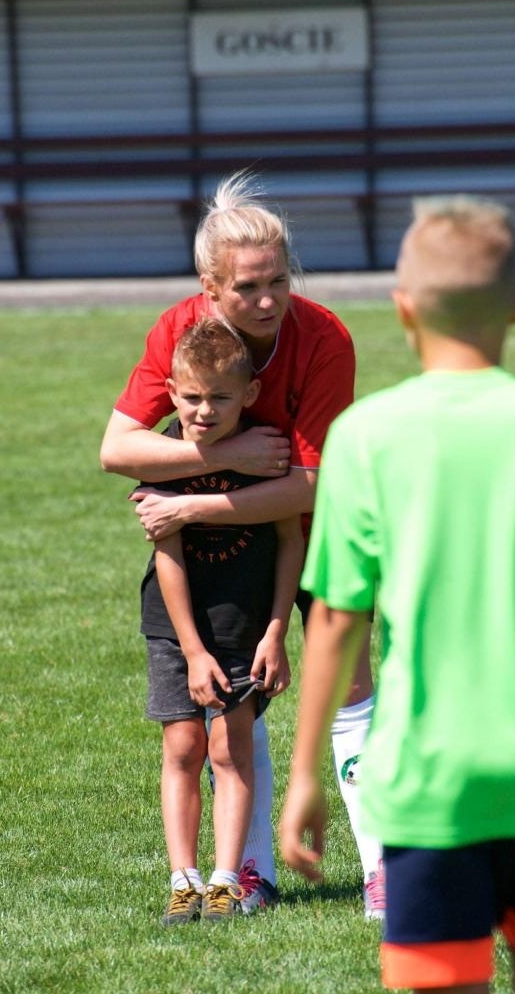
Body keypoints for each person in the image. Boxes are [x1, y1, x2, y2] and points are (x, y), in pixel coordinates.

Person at [280, 195, 515, 993]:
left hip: (427, 781)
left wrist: (308, 773)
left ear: (402, 308)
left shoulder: (366, 438)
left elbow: (338, 619)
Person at [100, 172, 385, 919]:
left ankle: (387, 870)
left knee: (352, 690)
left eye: (279, 279)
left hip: (322, 538)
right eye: (250, 287)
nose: (270, 300)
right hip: (233, 550)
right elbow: (116, 449)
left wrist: (192, 508)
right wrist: (215, 464)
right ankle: (247, 874)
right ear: (210, 288)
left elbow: (315, 486)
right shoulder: (181, 331)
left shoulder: (323, 336)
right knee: (235, 704)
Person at [141, 319, 303, 924]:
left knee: (228, 749)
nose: (204, 411)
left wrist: (277, 628)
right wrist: (192, 650)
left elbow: (291, 540)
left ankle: (226, 879)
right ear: (172, 390)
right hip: (174, 624)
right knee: (183, 745)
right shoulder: (165, 451)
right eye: (191, 397)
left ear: (250, 396)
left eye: (220, 397)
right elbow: (167, 551)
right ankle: (182, 879)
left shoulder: (266, 450)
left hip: (244, 622)